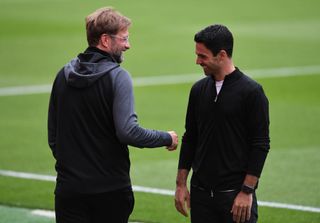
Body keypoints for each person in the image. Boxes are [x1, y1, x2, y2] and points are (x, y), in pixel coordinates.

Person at [47, 7, 178, 223]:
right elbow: (128, 132)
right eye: (124, 38)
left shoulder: (63, 74)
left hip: (68, 190)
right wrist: (166, 137)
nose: (128, 45)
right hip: (109, 192)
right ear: (106, 40)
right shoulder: (118, 77)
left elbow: (54, 135)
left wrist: (71, 169)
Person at [174, 24, 270, 223]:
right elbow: (190, 137)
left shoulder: (252, 92)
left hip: (235, 197)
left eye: (203, 56)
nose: (197, 61)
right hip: (200, 197)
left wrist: (246, 191)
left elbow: (260, 144)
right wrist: (181, 184)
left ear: (222, 54)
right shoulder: (198, 90)